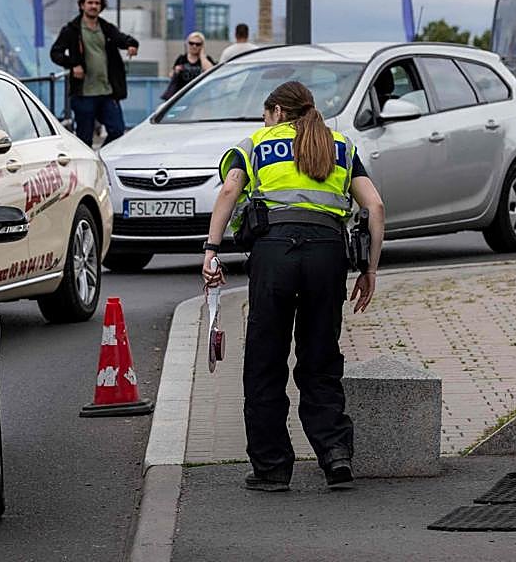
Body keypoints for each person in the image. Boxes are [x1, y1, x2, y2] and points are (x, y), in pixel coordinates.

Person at [202, 81, 386, 492]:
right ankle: (336, 457)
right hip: (326, 255)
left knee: (265, 360)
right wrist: (369, 269)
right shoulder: (341, 146)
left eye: (267, 115)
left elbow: (230, 189)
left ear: (278, 113)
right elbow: (375, 206)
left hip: (274, 254)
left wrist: (211, 250)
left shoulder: (256, 144)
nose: (265, 122)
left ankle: (272, 467)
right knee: (321, 357)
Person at [49, 0, 140, 146]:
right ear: (82, 5)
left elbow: (122, 39)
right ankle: (89, 167)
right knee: (85, 138)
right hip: (84, 93)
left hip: (107, 92)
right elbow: (55, 53)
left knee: (117, 130)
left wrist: (132, 45)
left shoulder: (106, 28)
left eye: (97, 3)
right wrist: (73, 65)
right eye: (90, 3)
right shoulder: (71, 30)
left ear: (101, 7)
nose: (93, 6)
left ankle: (101, 159)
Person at [162, 31, 215, 99]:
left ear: (202, 46)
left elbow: (211, 71)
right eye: (191, 43)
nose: (194, 46)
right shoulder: (181, 59)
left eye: (198, 44)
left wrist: (202, 56)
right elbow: (171, 75)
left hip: (200, 97)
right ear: (187, 44)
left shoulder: (206, 59)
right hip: (182, 97)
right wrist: (176, 71)